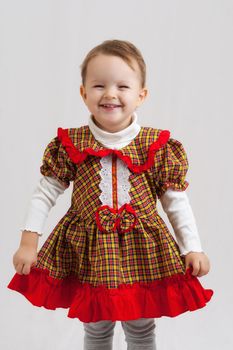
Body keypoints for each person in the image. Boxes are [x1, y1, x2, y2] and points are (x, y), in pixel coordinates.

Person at [7, 39, 213, 350]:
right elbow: (45, 192)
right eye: (99, 85)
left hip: (142, 250)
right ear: (84, 93)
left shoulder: (155, 146)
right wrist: (28, 241)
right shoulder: (72, 143)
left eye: (123, 86)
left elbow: (176, 203)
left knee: (141, 327)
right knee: (97, 327)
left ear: (141, 95)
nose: (110, 94)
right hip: (90, 252)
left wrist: (192, 248)